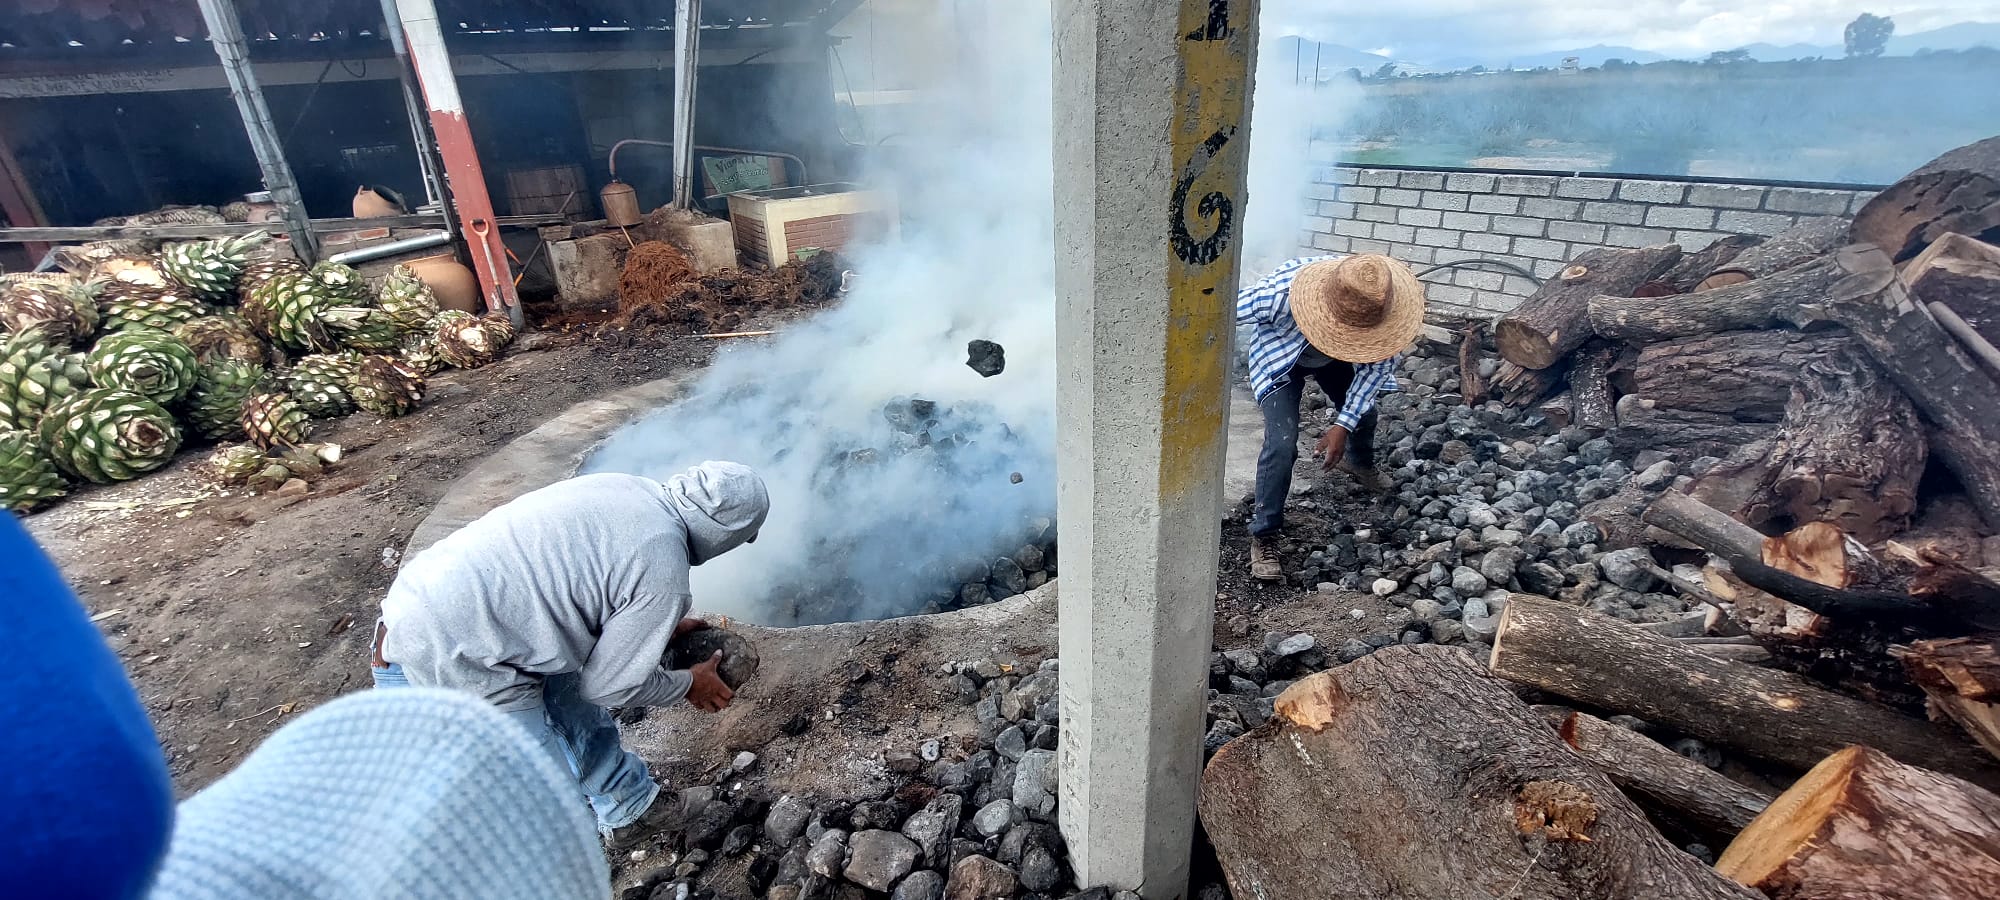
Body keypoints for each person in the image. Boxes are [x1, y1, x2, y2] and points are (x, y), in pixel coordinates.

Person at [372, 461, 770, 849]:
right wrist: (688, 684)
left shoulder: (626, 486)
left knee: (568, 698)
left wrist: (650, 626)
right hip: (456, 657)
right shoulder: (663, 570)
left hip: (420, 611)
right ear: (724, 532)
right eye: (744, 536)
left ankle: (631, 809)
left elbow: (577, 582)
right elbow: (609, 687)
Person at [1236, 253, 1426, 582]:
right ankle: (1264, 534)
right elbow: (1215, 312)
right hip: (1280, 357)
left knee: (1364, 414)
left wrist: (1342, 425)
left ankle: (1359, 464)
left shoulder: (1382, 312)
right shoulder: (1278, 296)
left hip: (1335, 358)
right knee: (1282, 444)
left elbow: (1372, 376)